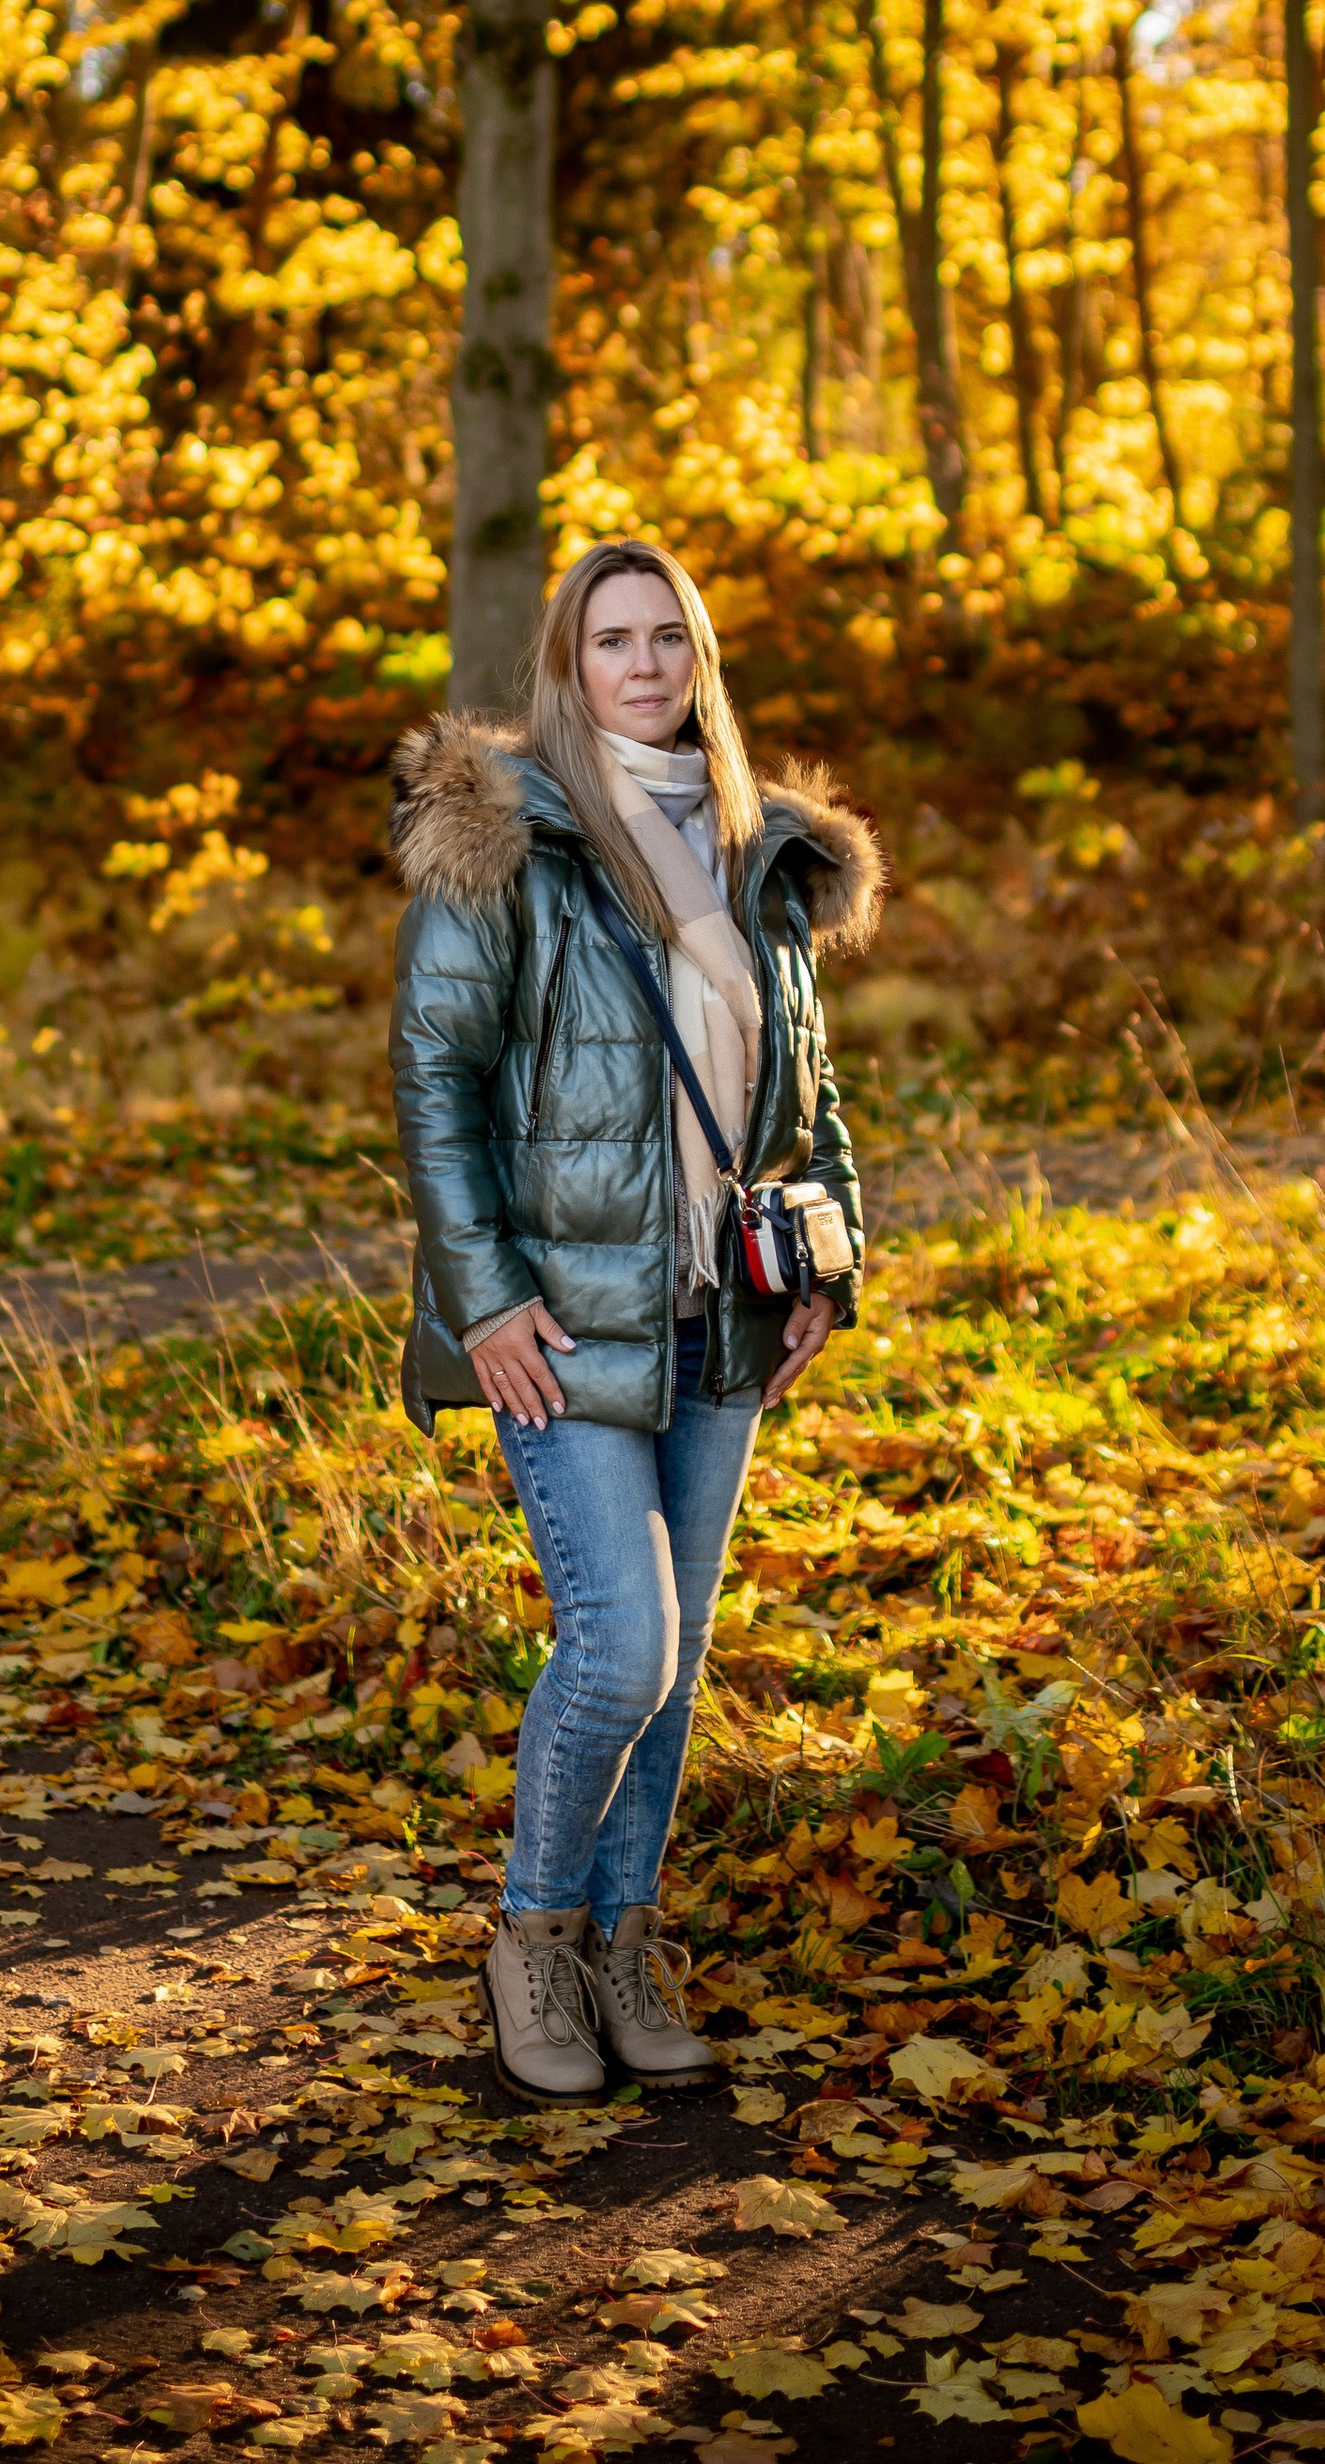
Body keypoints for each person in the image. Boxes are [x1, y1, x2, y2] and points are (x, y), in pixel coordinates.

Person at [387, 539, 883, 2102]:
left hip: (715, 1316)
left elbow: (808, 1092)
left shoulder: (759, 850)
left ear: (703, 662)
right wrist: (489, 1302)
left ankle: (624, 1941)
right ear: (569, 664)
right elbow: (434, 1084)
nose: (647, 665)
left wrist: (828, 1259)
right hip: (562, 1322)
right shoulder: (512, 841)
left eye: (672, 638)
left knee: (680, 1663)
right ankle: (533, 1941)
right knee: (621, 1650)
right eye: (615, 640)